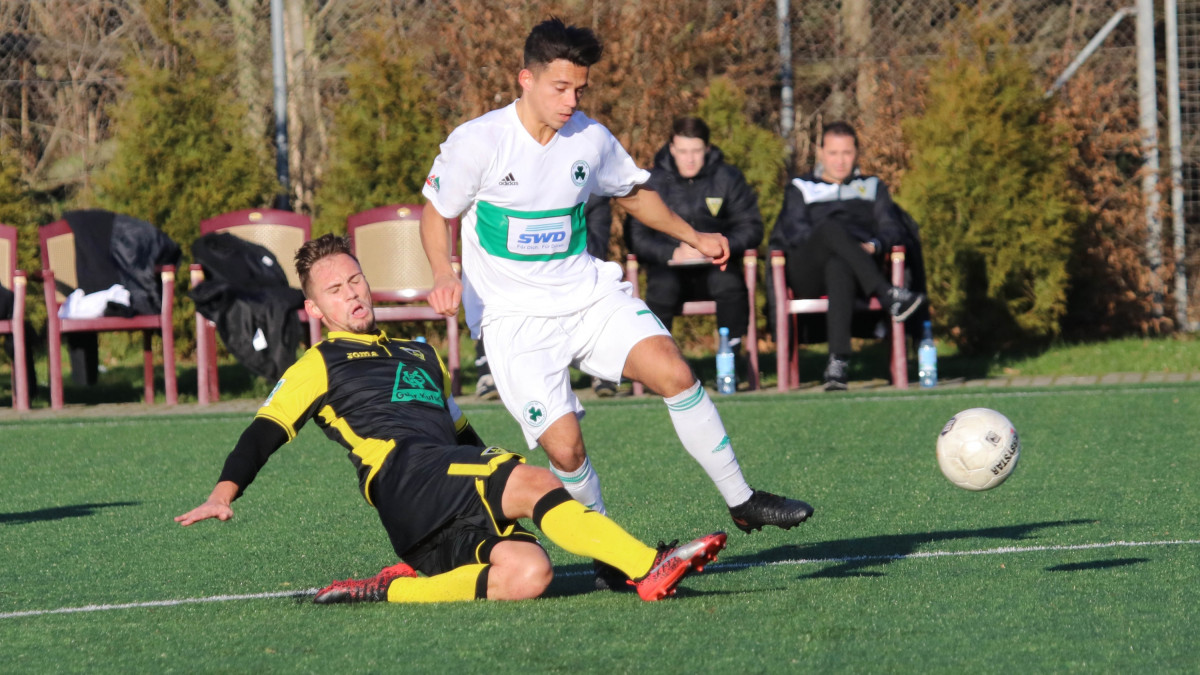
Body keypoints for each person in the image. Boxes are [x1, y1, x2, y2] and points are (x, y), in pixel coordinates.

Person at [419, 18, 813, 590]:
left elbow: (633, 194)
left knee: (675, 372)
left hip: (587, 295)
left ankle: (742, 499)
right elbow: (437, 213)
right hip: (513, 320)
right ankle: (607, 550)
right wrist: (441, 272)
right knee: (565, 450)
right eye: (560, 87)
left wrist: (695, 236)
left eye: (579, 89)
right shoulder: (479, 141)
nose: (571, 101)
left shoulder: (591, 139)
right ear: (525, 79)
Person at [175, 234, 727, 604]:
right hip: (404, 478)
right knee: (537, 481)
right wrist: (224, 493)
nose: (352, 295)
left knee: (529, 574)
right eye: (335, 291)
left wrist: (494, 473)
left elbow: (461, 434)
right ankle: (646, 567)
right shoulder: (319, 363)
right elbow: (263, 432)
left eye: (355, 281)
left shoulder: (421, 354)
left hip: (436, 499)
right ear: (316, 310)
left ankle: (391, 589)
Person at [769, 121, 925, 391]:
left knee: (839, 264)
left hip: (857, 269)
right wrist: (843, 243)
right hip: (808, 270)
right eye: (833, 153)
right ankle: (887, 293)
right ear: (821, 153)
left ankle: (837, 363)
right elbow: (796, 234)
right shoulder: (801, 187)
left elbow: (892, 229)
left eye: (847, 153)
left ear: (856, 153)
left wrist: (873, 245)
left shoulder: (873, 186)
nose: (840, 161)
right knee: (830, 230)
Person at [627, 117, 763, 379]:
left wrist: (717, 247)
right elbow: (636, 237)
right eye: (683, 151)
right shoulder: (652, 182)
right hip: (668, 269)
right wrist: (671, 253)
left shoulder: (728, 178)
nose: (689, 159)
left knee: (728, 284)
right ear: (672, 148)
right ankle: (658, 368)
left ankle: (731, 360)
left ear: (707, 149)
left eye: (696, 151)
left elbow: (751, 227)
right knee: (661, 289)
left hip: (715, 266)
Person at [473, 194, 618, 399]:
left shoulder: (594, 198)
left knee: (600, 296)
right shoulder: (520, 192)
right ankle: (489, 371)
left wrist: (564, 224)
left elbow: (597, 248)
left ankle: (602, 371)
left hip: (573, 280)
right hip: (523, 277)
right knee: (496, 292)